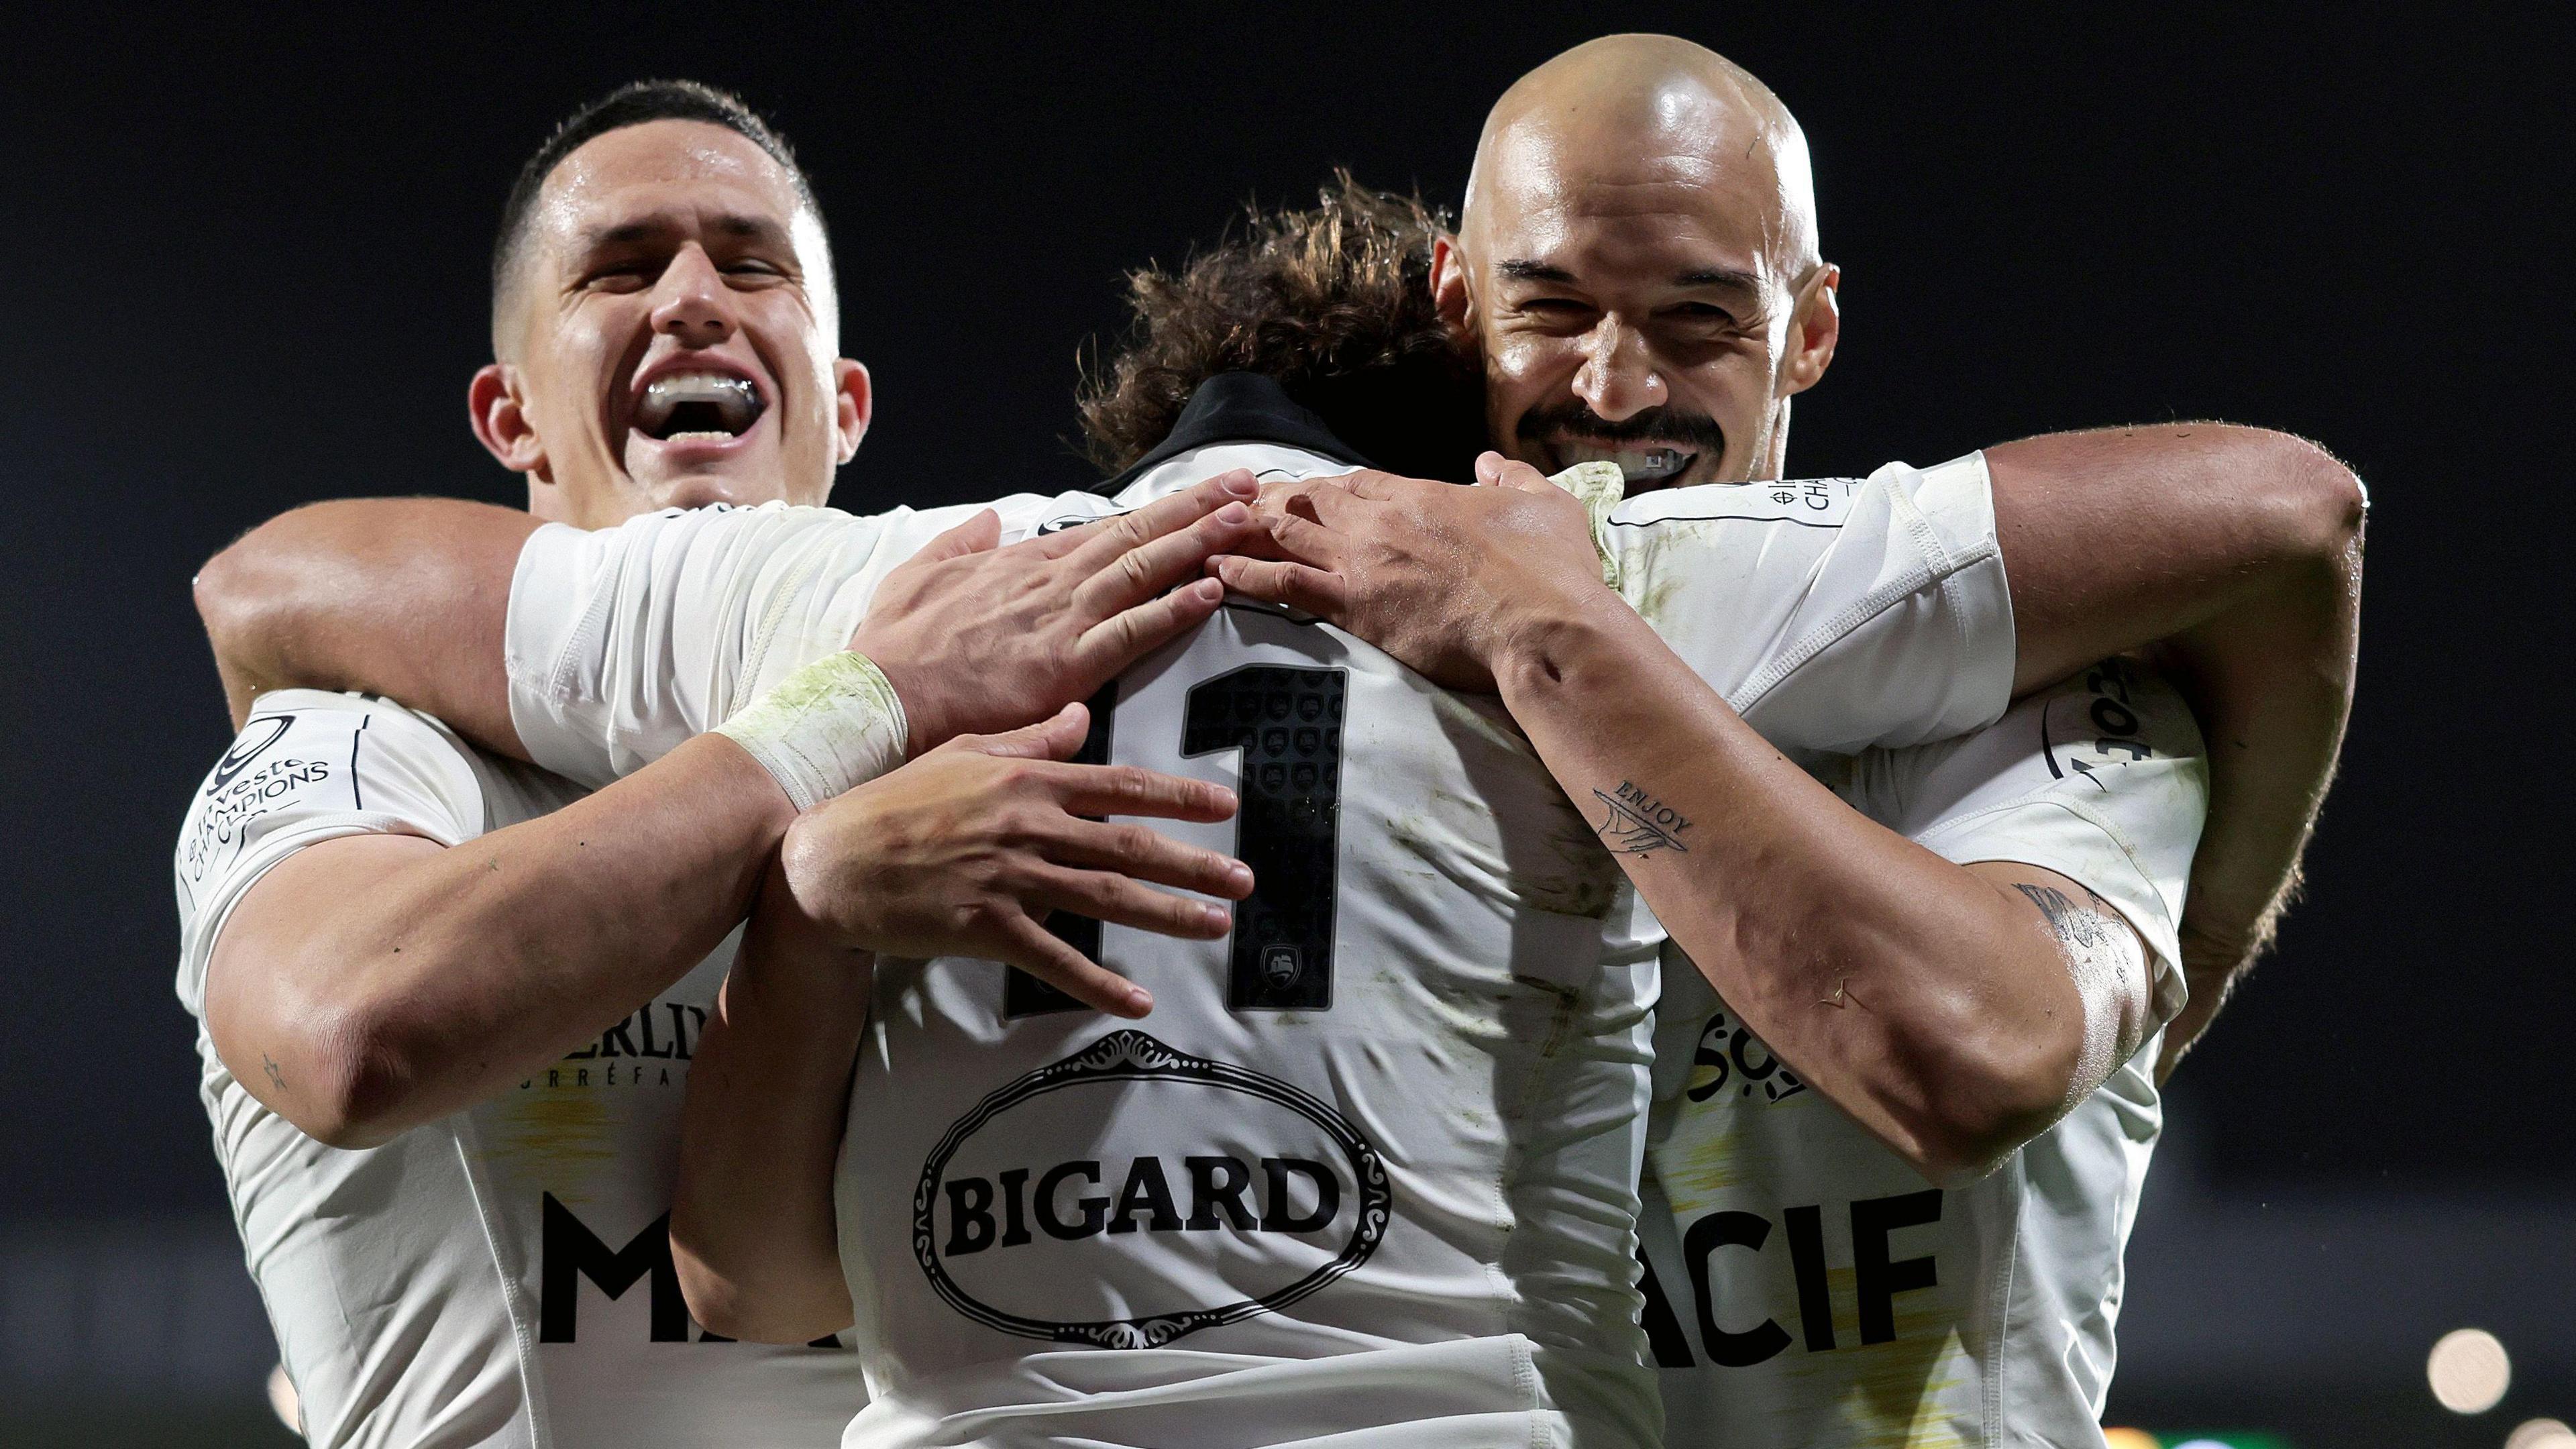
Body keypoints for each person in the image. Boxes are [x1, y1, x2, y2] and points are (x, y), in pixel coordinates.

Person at [175, 80, 1269, 1448]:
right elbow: (350, 1037)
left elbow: (776, 1282)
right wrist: (853, 711)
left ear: (847, 407)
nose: (694, 296)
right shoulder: (363, 744)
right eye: (621, 267)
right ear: (511, 421)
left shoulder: (969, 772)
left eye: (752, 265)